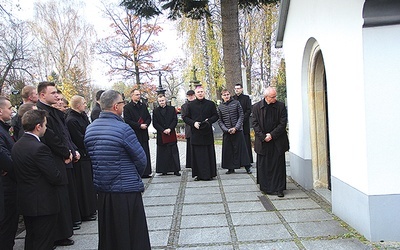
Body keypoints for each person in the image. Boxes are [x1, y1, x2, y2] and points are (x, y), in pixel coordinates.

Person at [84, 90, 150, 250]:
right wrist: (134, 176)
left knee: (110, 233)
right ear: (115, 106)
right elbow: (141, 160)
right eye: (122, 102)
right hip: (126, 190)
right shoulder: (124, 129)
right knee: (133, 233)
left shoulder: (90, 129)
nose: (124, 105)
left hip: (104, 190)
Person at [12, 109, 63, 250]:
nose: (46, 128)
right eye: (45, 125)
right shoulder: (40, 148)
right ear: (38, 126)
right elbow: (54, 176)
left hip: (26, 201)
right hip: (43, 203)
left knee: (32, 238)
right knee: (44, 241)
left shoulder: (17, 145)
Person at [36, 81, 75, 246]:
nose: (58, 96)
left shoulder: (52, 111)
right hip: (53, 158)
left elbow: (63, 134)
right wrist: (66, 152)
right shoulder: (41, 112)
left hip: (61, 157)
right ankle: (57, 235)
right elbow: (51, 136)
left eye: (57, 93)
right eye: (53, 93)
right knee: (57, 198)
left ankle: (63, 232)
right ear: (42, 95)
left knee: (62, 197)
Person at [252, 87, 289, 197]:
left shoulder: (281, 106)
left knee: (278, 165)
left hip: (277, 140)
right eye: (273, 97)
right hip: (263, 142)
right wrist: (263, 137)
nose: (275, 98)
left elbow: (283, 123)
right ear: (266, 97)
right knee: (265, 165)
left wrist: (272, 135)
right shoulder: (257, 107)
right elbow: (255, 124)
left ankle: (279, 188)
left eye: (275, 96)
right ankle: (266, 187)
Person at [66, 96, 97, 222]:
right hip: (82, 156)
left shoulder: (82, 116)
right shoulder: (72, 120)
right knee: (83, 186)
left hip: (88, 154)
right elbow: (79, 138)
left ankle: (91, 208)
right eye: (84, 103)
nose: (85, 105)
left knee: (89, 184)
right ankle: (85, 211)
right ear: (78, 105)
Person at [183, 86, 219, 181]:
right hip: (196, 132)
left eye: (202, 91)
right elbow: (185, 117)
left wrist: (209, 121)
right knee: (198, 155)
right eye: (198, 92)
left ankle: (210, 174)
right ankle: (198, 175)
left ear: (204, 92)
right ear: (195, 94)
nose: (200, 93)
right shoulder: (190, 105)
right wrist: (193, 123)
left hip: (207, 132)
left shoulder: (210, 104)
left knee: (208, 154)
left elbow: (216, 116)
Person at [217, 89, 251, 174]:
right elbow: (220, 120)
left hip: (238, 130)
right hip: (227, 132)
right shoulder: (220, 107)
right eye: (224, 95)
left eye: (228, 94)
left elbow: (241, 116)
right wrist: (226, 130)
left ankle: (247, 167)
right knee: (228, 150)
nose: (226, 96)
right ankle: (230, 168)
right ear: (222, 96)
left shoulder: (236, 103)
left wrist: (236, 127)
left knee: (242, 150)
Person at [0, 96, 18, 250]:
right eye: (9, 108)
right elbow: (5, 158)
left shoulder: (4, 129)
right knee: (6, 224)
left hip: (9, 181)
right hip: (6, 186)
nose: (12, 111)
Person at [123, 89, 152, 178]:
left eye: (139, 94)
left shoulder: (143, 105)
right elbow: (127, 120)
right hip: (135, 133)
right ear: (132, 96)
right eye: (136, 95)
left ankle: (146, 171)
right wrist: (139, 125)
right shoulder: (127, 107)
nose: (138, 96)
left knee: (145, 152)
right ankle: (138, 172)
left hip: (144, 133)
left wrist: (146, 124)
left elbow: (148, 117)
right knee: (136, 154)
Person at [153, 94, 181, 176]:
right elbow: (155, 123)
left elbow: (174, 120)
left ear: (166, 100)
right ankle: (163, 170)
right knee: (163, 152)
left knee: (173, 152)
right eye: (160, 101)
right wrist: (163, 130)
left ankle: (176, 170)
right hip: (161, 133)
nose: (162, 102)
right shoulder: (155, 111)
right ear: (158, 102)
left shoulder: (172, 109)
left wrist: (170, 128)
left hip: (170, 133)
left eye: (163, 100)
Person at [233, 83, 253, 164]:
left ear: (241, 89)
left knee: (246, 143)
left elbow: (249, 110)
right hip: (234, 124)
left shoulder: (246, 98)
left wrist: (241, 120)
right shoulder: (232, 98)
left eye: (238, 88)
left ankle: (247, 161)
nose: (237, 90)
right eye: (235, 88)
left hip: (244, 124)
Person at [180, 90, 195, 168]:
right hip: (189, 128)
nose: (191, 97)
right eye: (189, 96)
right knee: (190, 147)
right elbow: (184, 117)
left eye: (192, 95)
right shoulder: (184, 106)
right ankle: (190, 163)